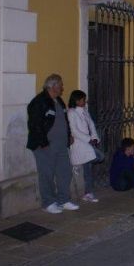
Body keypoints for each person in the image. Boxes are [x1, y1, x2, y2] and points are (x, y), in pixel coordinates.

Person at [27, 74, 79, 214]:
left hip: (61, 145)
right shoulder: (39, 101)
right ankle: (48, 202)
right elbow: (35, 124)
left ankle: (64, 199)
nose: (62, 88)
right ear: (53, 86)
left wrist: (68, 135)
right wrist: (43, 143)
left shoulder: (58, 101)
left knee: (65, 172)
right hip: (45, 145)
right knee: (47, 175)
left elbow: (65, 120)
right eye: (60, 85)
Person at [67, 90, 105, 203]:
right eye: (83, 99)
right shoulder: (71, 112)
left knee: (89, 167)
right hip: (80, 144)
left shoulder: (84, 111)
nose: (85, 101)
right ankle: (87, 192)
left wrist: (95, 137)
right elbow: (74, 130)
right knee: (98, 157)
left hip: (87, 144)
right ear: (77, 100)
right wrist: (89, 139)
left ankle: (88, 193)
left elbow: (91, 125)